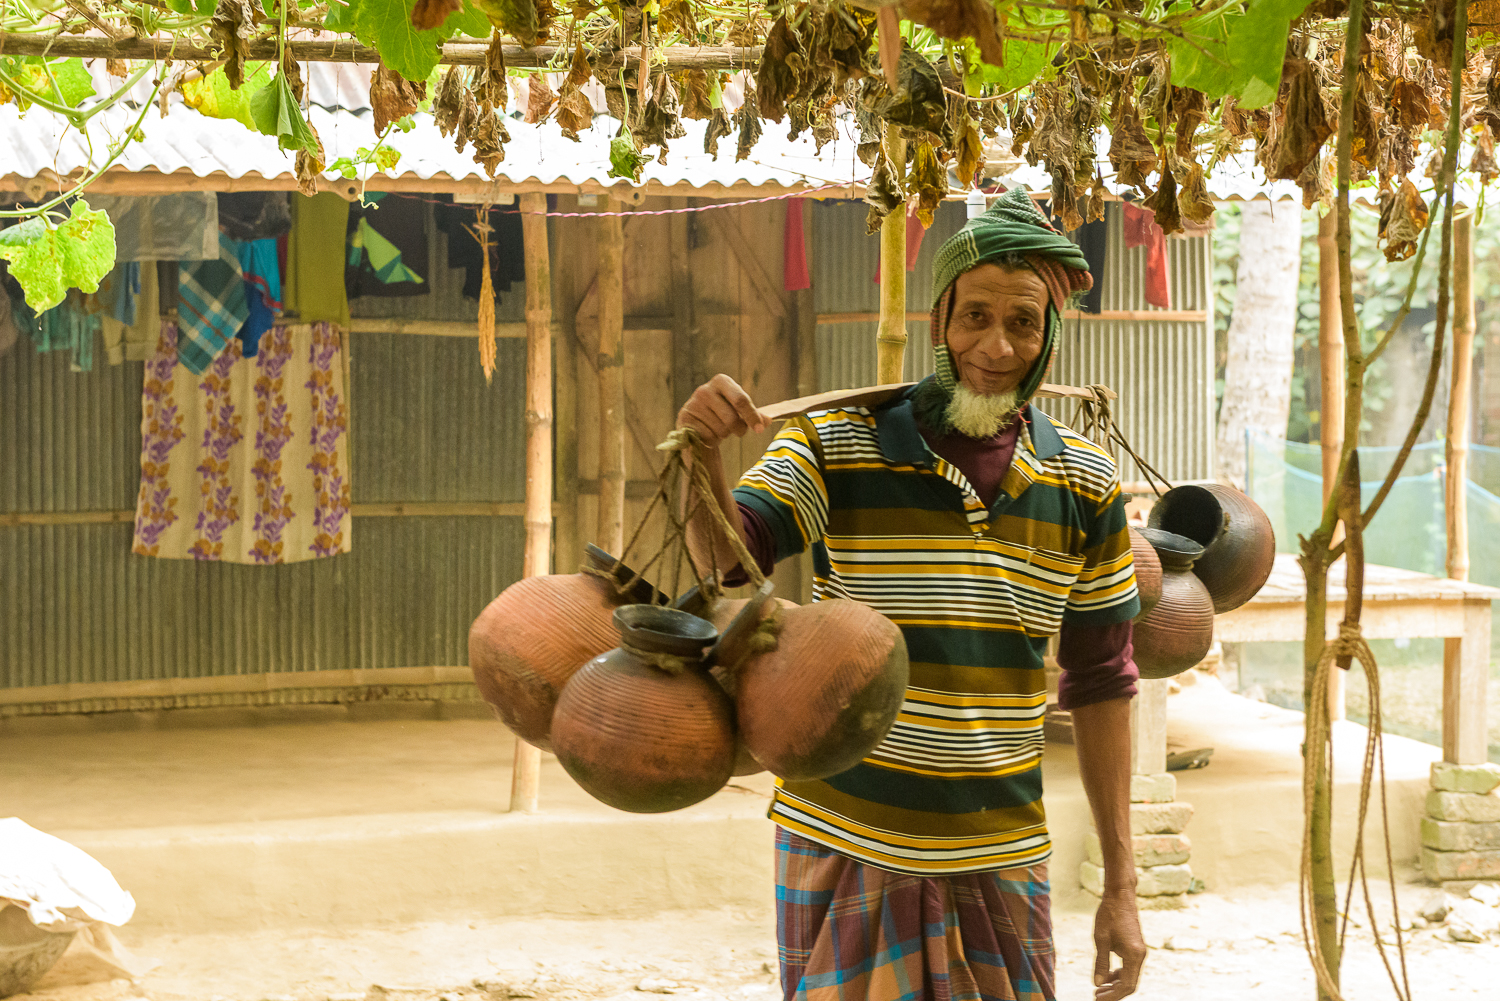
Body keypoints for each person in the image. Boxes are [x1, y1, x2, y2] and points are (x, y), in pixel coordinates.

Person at [675, 187, 1146, 1001]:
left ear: (1049, 338)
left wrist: (1123, 884)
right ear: (941, 321)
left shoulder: (1086, 482)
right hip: (845, 841)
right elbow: (727, 558)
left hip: (998, 854)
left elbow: (1103, 681)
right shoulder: (836, 442)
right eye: (975, 317)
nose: (995, 346)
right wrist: (699, 452)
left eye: (1023, 322)